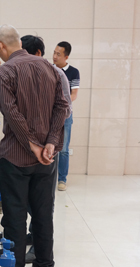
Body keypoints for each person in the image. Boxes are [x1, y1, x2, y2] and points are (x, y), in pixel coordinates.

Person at [0, 25, 68, 267]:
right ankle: (45, 266)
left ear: (1, 45)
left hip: (15, 158)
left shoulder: (5, 72)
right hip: (46, 158)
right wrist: (50, 142)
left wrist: (31, 144)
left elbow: (11, 113)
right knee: (43, 213)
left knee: (15, 216)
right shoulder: (50, 68)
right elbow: (63, 106)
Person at [20, 34, 72, 264]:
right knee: (27, 196)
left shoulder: (56, 74)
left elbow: (65, 110)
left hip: (48, 147)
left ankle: (40, 248)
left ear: (38, 54)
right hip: (27, 147)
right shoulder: (21, 74)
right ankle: (34, 234)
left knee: (43, 200)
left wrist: (49, 142)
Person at [53, 41, 80, 191]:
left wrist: (61, 104)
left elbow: (74, 94)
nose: (54, 56)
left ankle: (62, 179)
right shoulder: (48, 69)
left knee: (63, 149)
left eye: (58, 54)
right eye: (54, 53)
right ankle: (49, 178)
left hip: (65, 115)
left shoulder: (73, 72)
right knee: (49, 147)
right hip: (49, 115)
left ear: (66, 57)